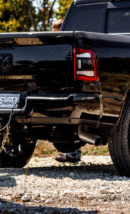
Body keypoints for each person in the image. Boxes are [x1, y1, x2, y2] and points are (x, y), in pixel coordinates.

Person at [51, 18, 83, 163]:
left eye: (56, 31)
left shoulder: (68, 45)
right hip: (61, 87)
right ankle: (72, 153)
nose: (55, 34)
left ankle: (73, 153)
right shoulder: (60, 46)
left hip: (70, 87)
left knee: (70, 123)